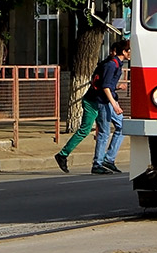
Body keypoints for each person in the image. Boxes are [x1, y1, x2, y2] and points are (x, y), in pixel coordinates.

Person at [54, 37, 129, 174]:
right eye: (129, 50)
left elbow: (103, 84)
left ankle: (108, 159)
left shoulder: (114, 64)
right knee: (95, 131)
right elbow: (105, 87)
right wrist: (115, 105)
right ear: (123, 52)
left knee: (122, 126)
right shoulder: (111, 65)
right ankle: (94, 163)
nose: (131, 53)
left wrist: (116, 88)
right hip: (98, 101)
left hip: (102, 100)